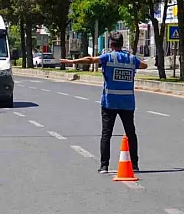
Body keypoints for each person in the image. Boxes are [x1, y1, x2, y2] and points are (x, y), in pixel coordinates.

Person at [61, 32, 148, 173]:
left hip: (110, 102)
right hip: (127, 103)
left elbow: (90, 60)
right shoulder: (131, 59)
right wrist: (130, 59)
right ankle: (135, 165)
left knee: (106, 134)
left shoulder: (108, 57)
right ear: (122, 43)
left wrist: (72, 62)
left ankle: (104, 166)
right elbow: (143, 65)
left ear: (111, 44)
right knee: (131, 133)